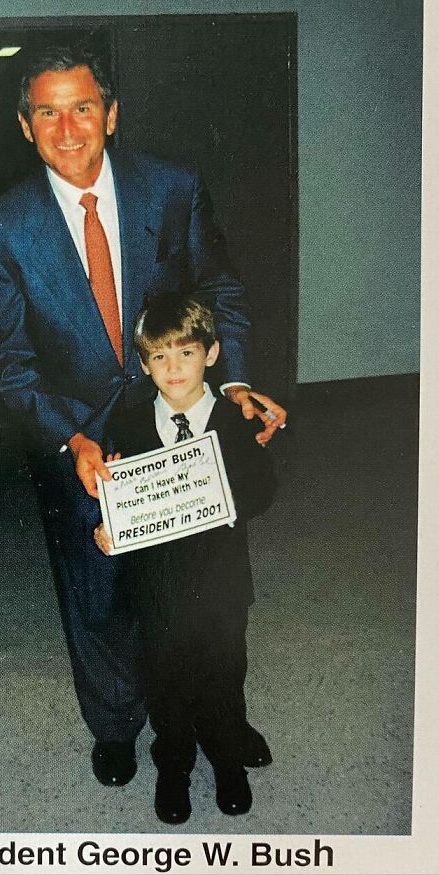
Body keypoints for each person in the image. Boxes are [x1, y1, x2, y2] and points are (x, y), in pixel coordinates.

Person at [0, 45, 287, 788]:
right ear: (25, 126)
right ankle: (115, 723)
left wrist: (232, 383)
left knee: (204, 589)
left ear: (111, 114)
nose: (68, 128)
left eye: (83, 107)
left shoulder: (172, 189)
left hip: (180, 419)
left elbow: (221, 291)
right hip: (79, 433)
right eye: (47, 111)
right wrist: (68, 433)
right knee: (98, 589)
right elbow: (10, 362)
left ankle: (221, 716)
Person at [94, 294, 276, 824]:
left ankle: (226, 760)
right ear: (144, 363)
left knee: (223, 673)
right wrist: (113, 529)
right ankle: (173, 762)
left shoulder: (235, 419)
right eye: (159, 358)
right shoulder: (127, 426)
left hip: (220, 585)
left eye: (187, 354)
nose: (173, 369)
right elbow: (121, 499)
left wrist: (223, 496)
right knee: (165, 679)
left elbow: (264, 491)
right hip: (156, 588)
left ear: (212, 354)